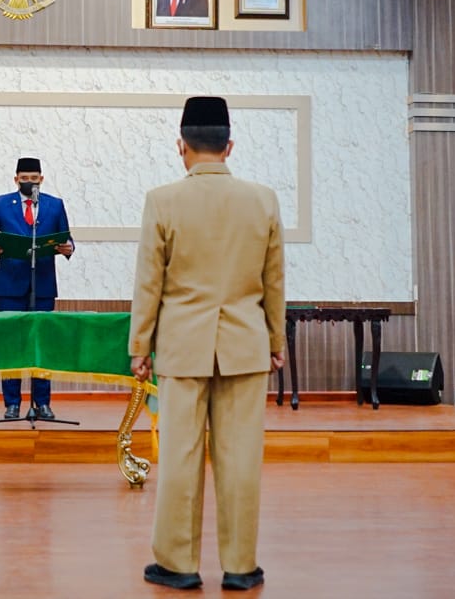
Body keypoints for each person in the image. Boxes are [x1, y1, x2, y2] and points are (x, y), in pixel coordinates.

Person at [129, 96, 284, 592]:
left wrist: (140, 346)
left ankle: (178, 564)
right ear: (229, 146)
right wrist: (275, 340)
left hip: (182, 346)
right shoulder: (263, 200)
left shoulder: (162, 200)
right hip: (245, 344)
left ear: (182, 146)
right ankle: (241, 566)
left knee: (180, 456)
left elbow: (149, 282)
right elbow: (274, 280)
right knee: (241, 460)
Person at [0, 157, 74, 420]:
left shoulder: (55, 205)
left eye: (34, 178)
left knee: (42, 344)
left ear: (41, 179)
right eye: (24, 179)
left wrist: (69, 247)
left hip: (42, 285)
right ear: (16, 179)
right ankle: (11, 403)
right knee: (10, 344)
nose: (29, 182)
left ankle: (42, 403)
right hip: (9, 286)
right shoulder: (1, 203)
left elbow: (66, 236)